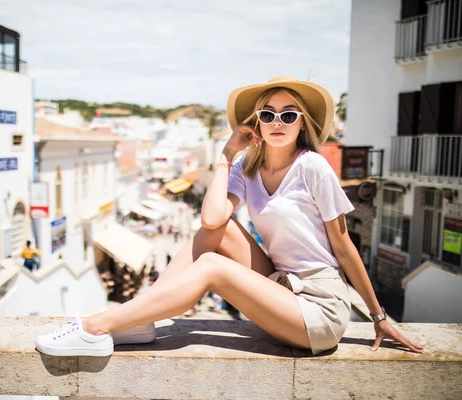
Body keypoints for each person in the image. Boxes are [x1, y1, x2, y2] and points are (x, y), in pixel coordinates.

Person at [35, 76, 423, 357]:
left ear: (302, 123)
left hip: (318, 308)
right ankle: (140, 322)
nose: (277, 122)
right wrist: (225, 156)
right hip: (280, 285)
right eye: (268, 115)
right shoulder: (246, 167)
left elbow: (344, 247)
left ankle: (96, 326)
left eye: (289, 116)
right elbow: (211, 221)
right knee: (211, 237)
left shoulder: (313, 168)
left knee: (212, 268)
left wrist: (378, 315)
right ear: (255, 123)